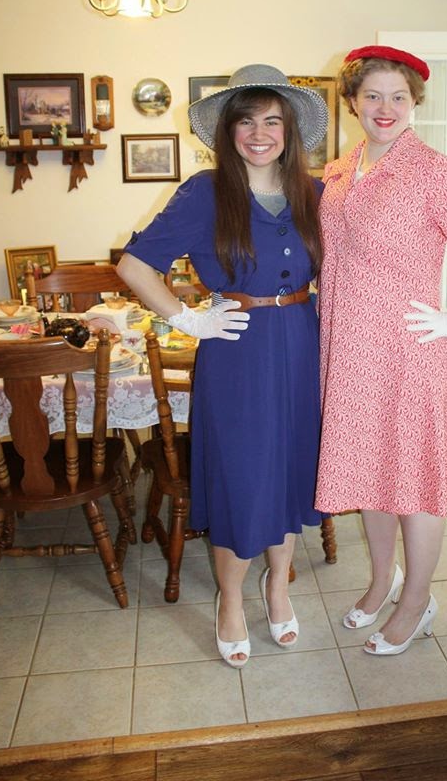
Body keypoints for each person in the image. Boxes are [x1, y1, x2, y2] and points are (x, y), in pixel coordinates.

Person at [118, 64, 328, 668]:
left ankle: (278, 586)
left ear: (289, 130)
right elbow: (134, 266)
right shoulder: (205, 192)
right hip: (237, 349)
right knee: (242, 478)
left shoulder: (313, 193)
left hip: (302, 342)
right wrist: (186, 319)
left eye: (272, 121)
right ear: (228, 131)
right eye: (246, 121)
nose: (259, 134)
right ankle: (230, 600)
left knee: (291, 473)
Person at [315, 45, 447, 657]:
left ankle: (417, 600)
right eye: (373, 95)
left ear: (414, 103)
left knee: (415, 480)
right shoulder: (339, 171)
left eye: (398, 97)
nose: (386, 108)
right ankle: (382, 582)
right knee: (371, 473)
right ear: (352, 102)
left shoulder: (433, 170)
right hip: (348, 353)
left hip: (407, 353)